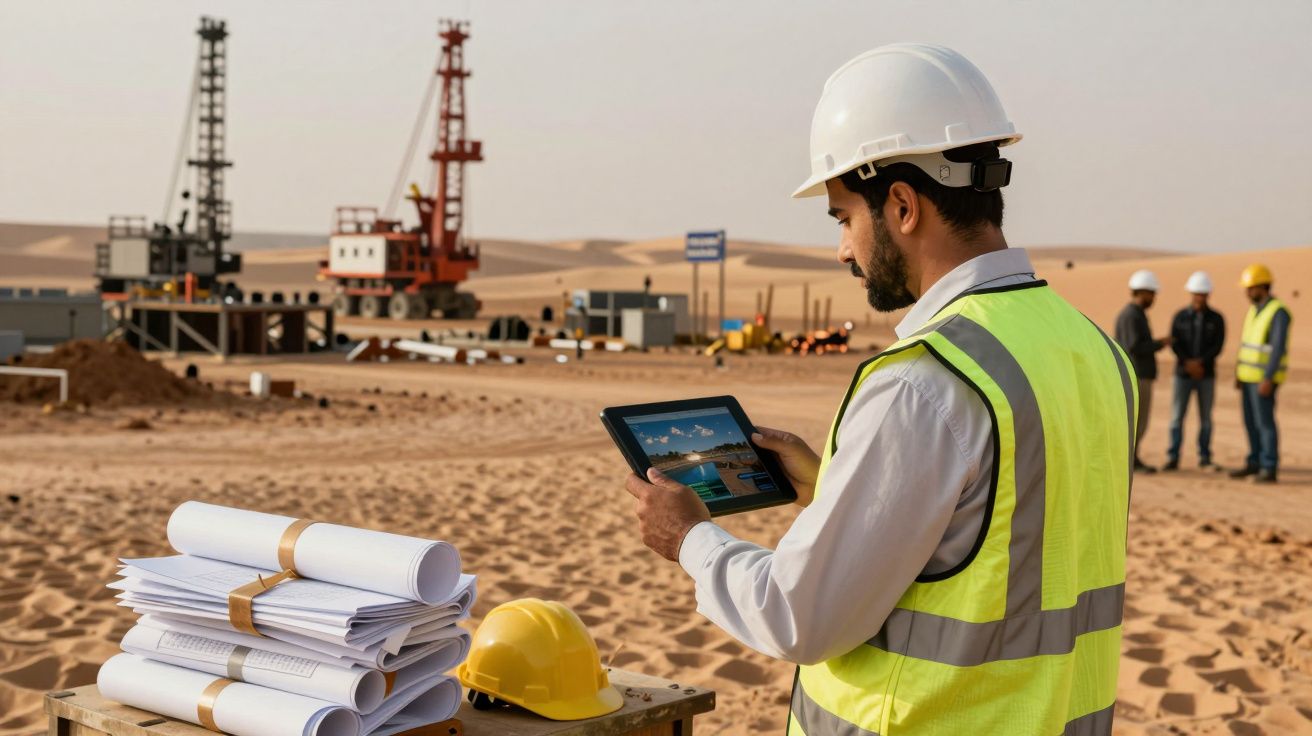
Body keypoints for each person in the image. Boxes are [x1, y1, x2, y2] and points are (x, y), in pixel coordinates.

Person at [623, 44, 1134, 734]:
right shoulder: (1092, 347)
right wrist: (831, 486)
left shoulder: (924, 384)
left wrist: (689, 538)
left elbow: (799, 616)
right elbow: (1005, 529)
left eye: (842, 218)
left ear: (900, 205)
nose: (842, 250)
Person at [1229, 264, 1291, 484]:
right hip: (1247, 378)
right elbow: (1247, 343)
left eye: (1250, 288)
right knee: (1250, 422)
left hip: (1263, 380)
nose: (1247, 292)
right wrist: (1238, 372)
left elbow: (1277, 347)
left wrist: (1268, 377)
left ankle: (1268, 466)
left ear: (1262, 287)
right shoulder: (1255, 310)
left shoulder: (1278, 312)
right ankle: (1253, 462)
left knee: (1265, 423)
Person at [1164, 271, 1225, 470]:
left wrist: (1200, 363)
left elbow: (1217, 346)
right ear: (1191, 294)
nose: (1200, 297)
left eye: (1203, 293)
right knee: (1176, 417)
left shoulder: (1216, 319)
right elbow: (1174, 343)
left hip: (1206, 375)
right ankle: (1173, 456)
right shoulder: (1180, 317)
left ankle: (1204, 456)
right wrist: (1187, 363)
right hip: (1182, 375)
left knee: (1206, 418)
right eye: (1196, 293)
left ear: (1208, 295)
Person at [1115, 271, 1172, 473]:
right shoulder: (1132, 315)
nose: (1153, 298)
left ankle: (1133, 458)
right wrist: (1160, 343)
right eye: (1151, 293)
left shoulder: (1136, 314)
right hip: (1137, 374)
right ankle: (1130, 461)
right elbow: (1134, 346)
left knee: (1139, 420)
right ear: (1141, 292)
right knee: (1138, 421)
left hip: (1139, 373)